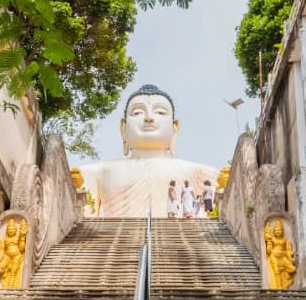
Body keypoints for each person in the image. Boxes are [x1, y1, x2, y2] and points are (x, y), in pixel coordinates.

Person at [77, 84, 220, 217]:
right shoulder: (96, 172)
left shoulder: (202, 173)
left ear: (174, 127)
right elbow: (84, 218)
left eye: (160, 112)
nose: (149, 118)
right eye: (137, 112)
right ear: (123, 127)